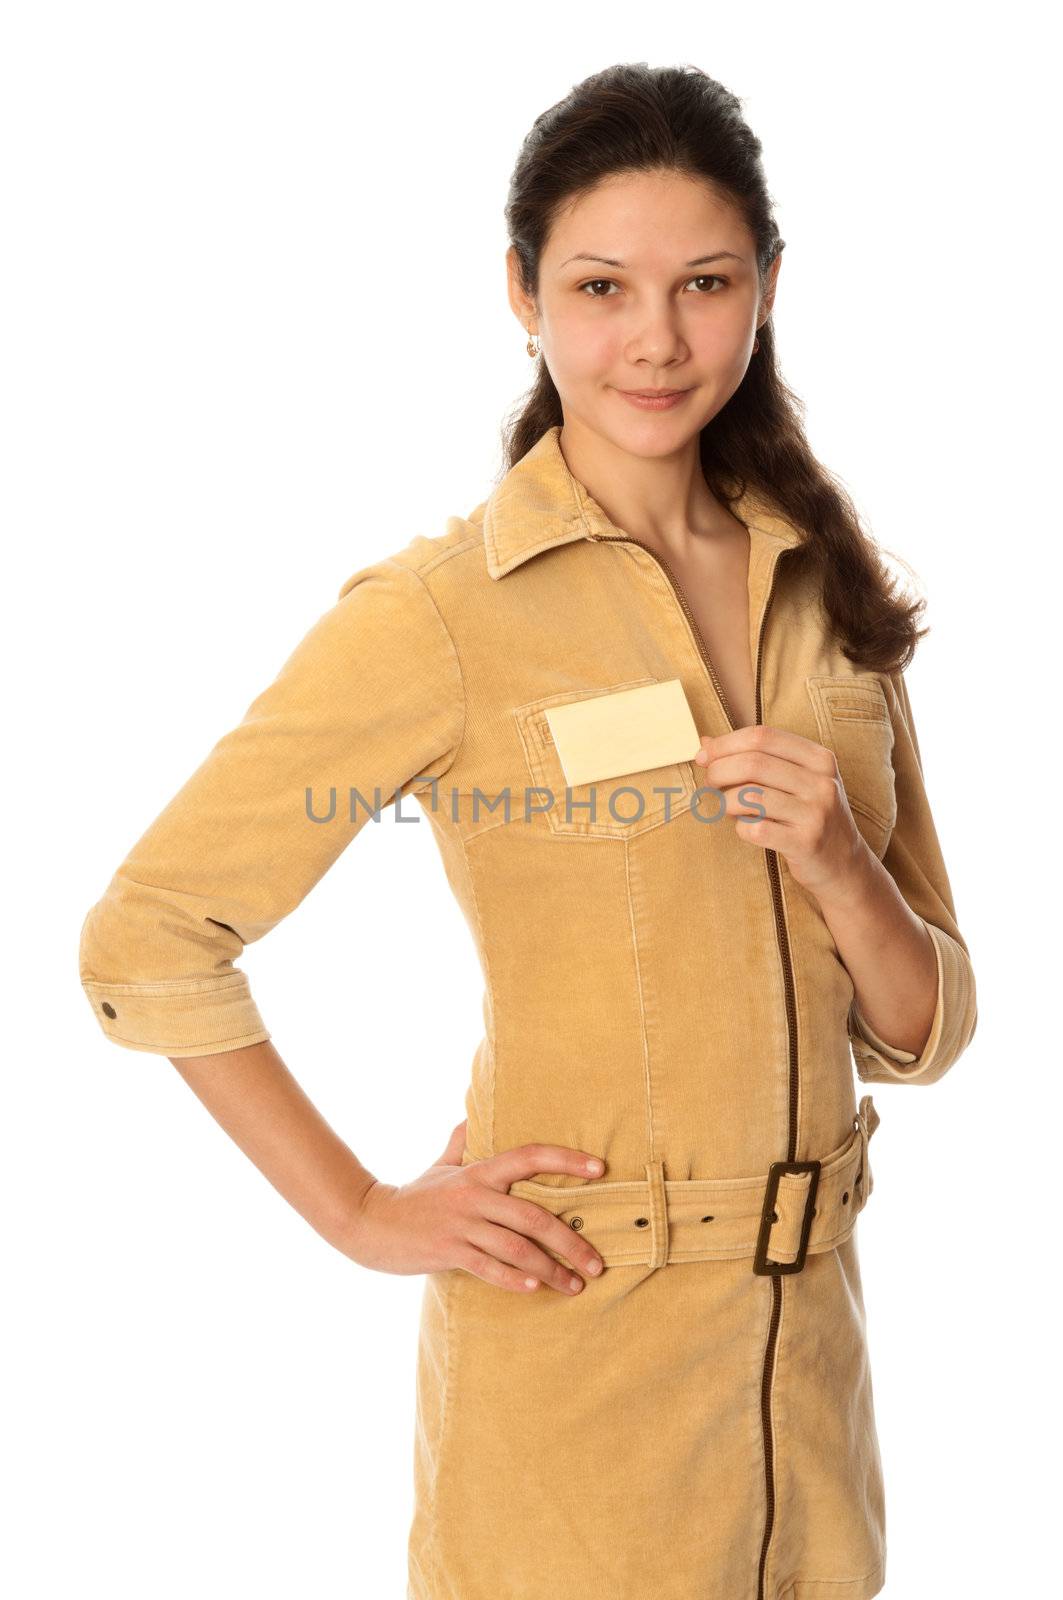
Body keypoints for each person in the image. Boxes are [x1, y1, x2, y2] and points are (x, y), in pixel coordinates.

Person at [78, 61, 977, 1600]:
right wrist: (364, 1213)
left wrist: (836, 863)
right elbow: (147, 935)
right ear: (522, 291)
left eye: (704, 283)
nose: (656, 337)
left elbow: (922, 1032)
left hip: (812, 1417)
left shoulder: (824, 593)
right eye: (601, 285)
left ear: (768, 281)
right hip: (574, 1400)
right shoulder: (439, 620)